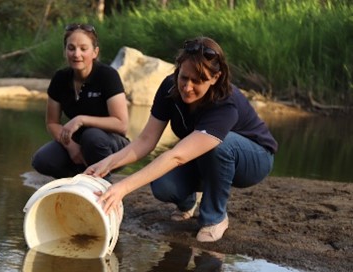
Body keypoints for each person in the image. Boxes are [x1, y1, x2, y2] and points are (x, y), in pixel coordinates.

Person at [85, 36, 278, 242]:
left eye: (198, 81)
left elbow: (177, 157)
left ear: (215, 78)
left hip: (254, 158)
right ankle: (187, 203)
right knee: (163, 185)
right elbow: (146, 140)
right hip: (202, 154)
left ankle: (215, 217)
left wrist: (122, 188)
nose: (187, 87)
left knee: (220, 147)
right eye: (184, 77)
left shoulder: (225, 103)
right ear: (177, 70)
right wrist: (108, 163)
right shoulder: (169, 88)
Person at [31, 23, 130, 180]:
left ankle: (104, 185)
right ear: (65, 52)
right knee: (42, 160)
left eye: (83, 49)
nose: (77, 54)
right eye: (71, 48)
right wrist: (71, 147)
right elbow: (52, 123)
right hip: (78, 141)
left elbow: (121, 125)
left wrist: (81, 119)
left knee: (92, 137)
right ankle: (75, 181)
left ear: (95, 52)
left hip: (111, 144)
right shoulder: (60, 78)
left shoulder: (108, 76)